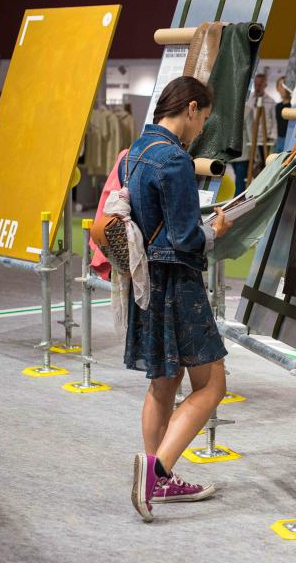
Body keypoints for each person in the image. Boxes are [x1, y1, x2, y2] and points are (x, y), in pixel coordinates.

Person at [124, 76, 233, 523]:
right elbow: (187, 237)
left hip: (145, 281)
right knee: (211, 386)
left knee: (163, 382)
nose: (201, 129)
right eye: (203, 119)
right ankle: (157, 472)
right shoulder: (174, 160)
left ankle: (157, 479)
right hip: (178, 285)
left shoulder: (137, 151)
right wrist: (215, 230)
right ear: (190, 108)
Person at [232, 72, 277, 195]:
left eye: (260, 84)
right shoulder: (249, 102)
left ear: (265, 85)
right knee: (246, 174)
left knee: (262, 169)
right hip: (249, 142)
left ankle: (261, 193)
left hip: (264, 140)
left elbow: (273, 120)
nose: (257, 87)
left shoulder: (270, 101)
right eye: (256, 84)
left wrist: (272, 136)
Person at [274, 76, 292, 153]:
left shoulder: (294, 106)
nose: (283, 88)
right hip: (279, 139)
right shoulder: (277, 106)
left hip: (291, 139)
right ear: (277, 88)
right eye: (281, 86)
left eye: (285, 85)